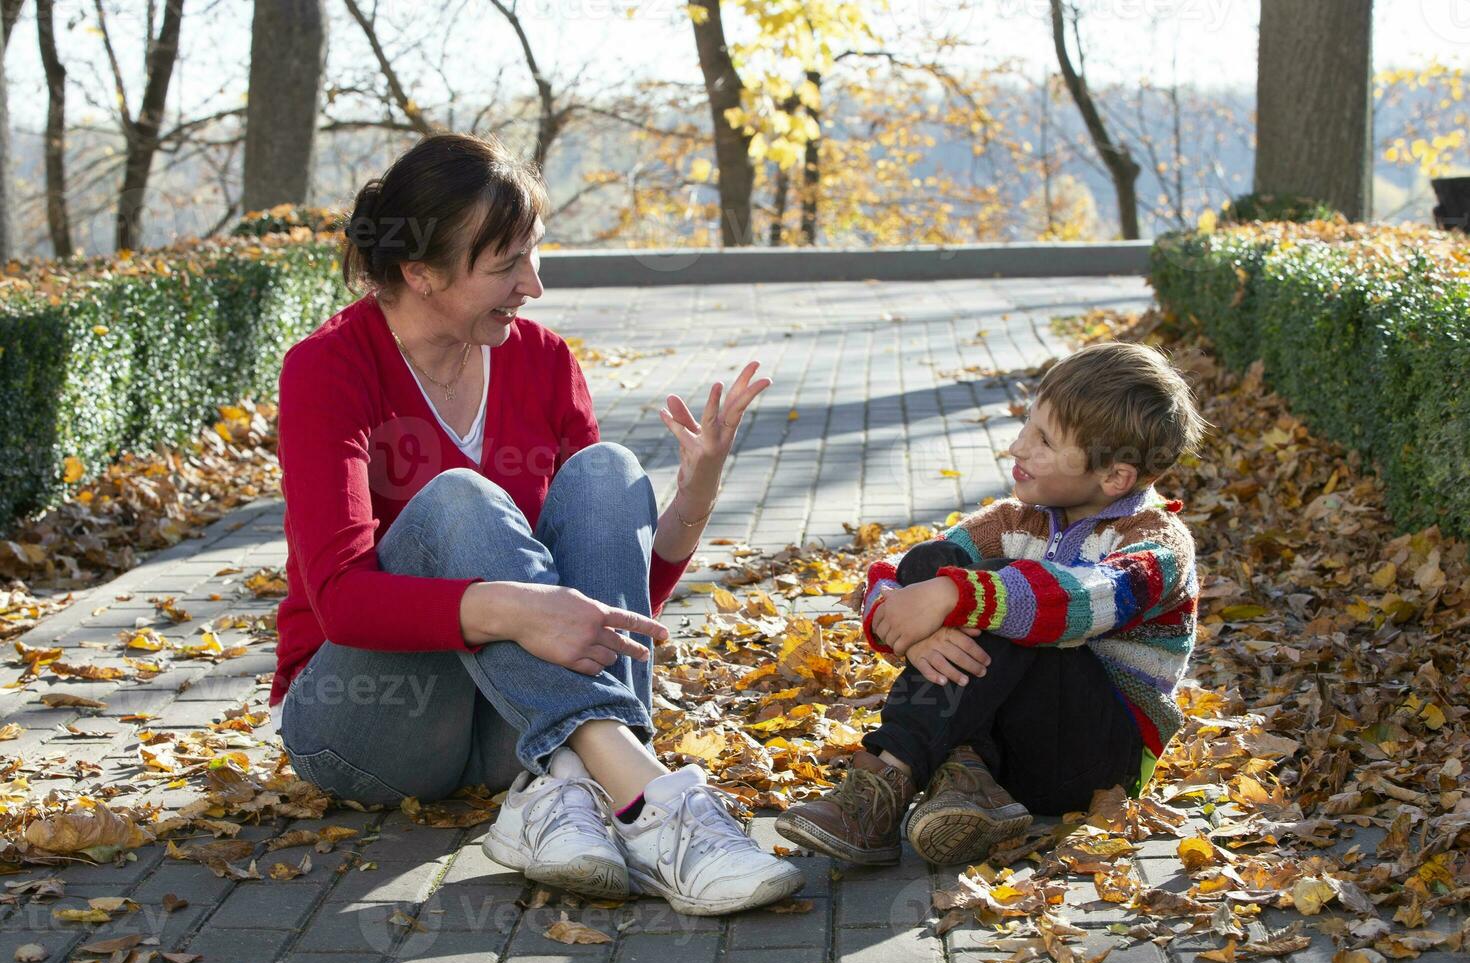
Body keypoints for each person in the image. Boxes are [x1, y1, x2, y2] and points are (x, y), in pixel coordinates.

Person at [272, 132, 803, 915]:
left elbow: (607, 608)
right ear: (418, 273)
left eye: (535, 253)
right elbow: (342, 600)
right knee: (460, 499)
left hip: (511, 723)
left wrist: (693, 498)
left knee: (609, 471)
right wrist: (519, 608)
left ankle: (559, 789)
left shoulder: (543, 360)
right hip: (368, 722)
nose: (535, 285)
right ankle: (653, 805)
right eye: (506, 266)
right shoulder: (328, 368)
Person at [776, 341, 1207, 866]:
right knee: (932, 561)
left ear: (1114, 476)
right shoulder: (1012, 519)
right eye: (1027, 424)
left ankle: (883, 783)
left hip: (1093, 759)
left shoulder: (1158, 547)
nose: (1017, 447)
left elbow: (1079, 602)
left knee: (1015, 593)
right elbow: (896, 574)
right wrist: (912, 616)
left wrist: (957, 597)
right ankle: (968, 778)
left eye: (1044, 440)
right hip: (1009, 744)